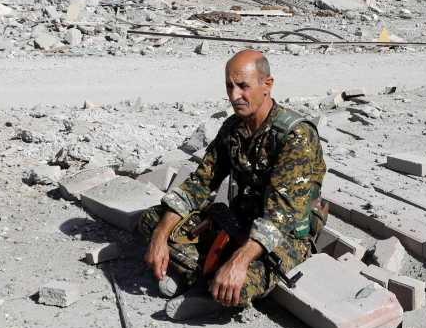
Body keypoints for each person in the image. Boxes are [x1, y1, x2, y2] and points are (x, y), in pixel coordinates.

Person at [137, 49, 326, 310]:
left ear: (267, 85)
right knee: (152, 221)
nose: (235, 96)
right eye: (230, 86)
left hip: (285, 235)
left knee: (240, 284)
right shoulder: (233, 128)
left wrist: (239, 262)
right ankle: (204, 276)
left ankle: (200, 280)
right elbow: (200, 183)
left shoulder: (295, 137)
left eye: (243, 86)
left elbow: (278, 218)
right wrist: (160, 235)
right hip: (239, 222)